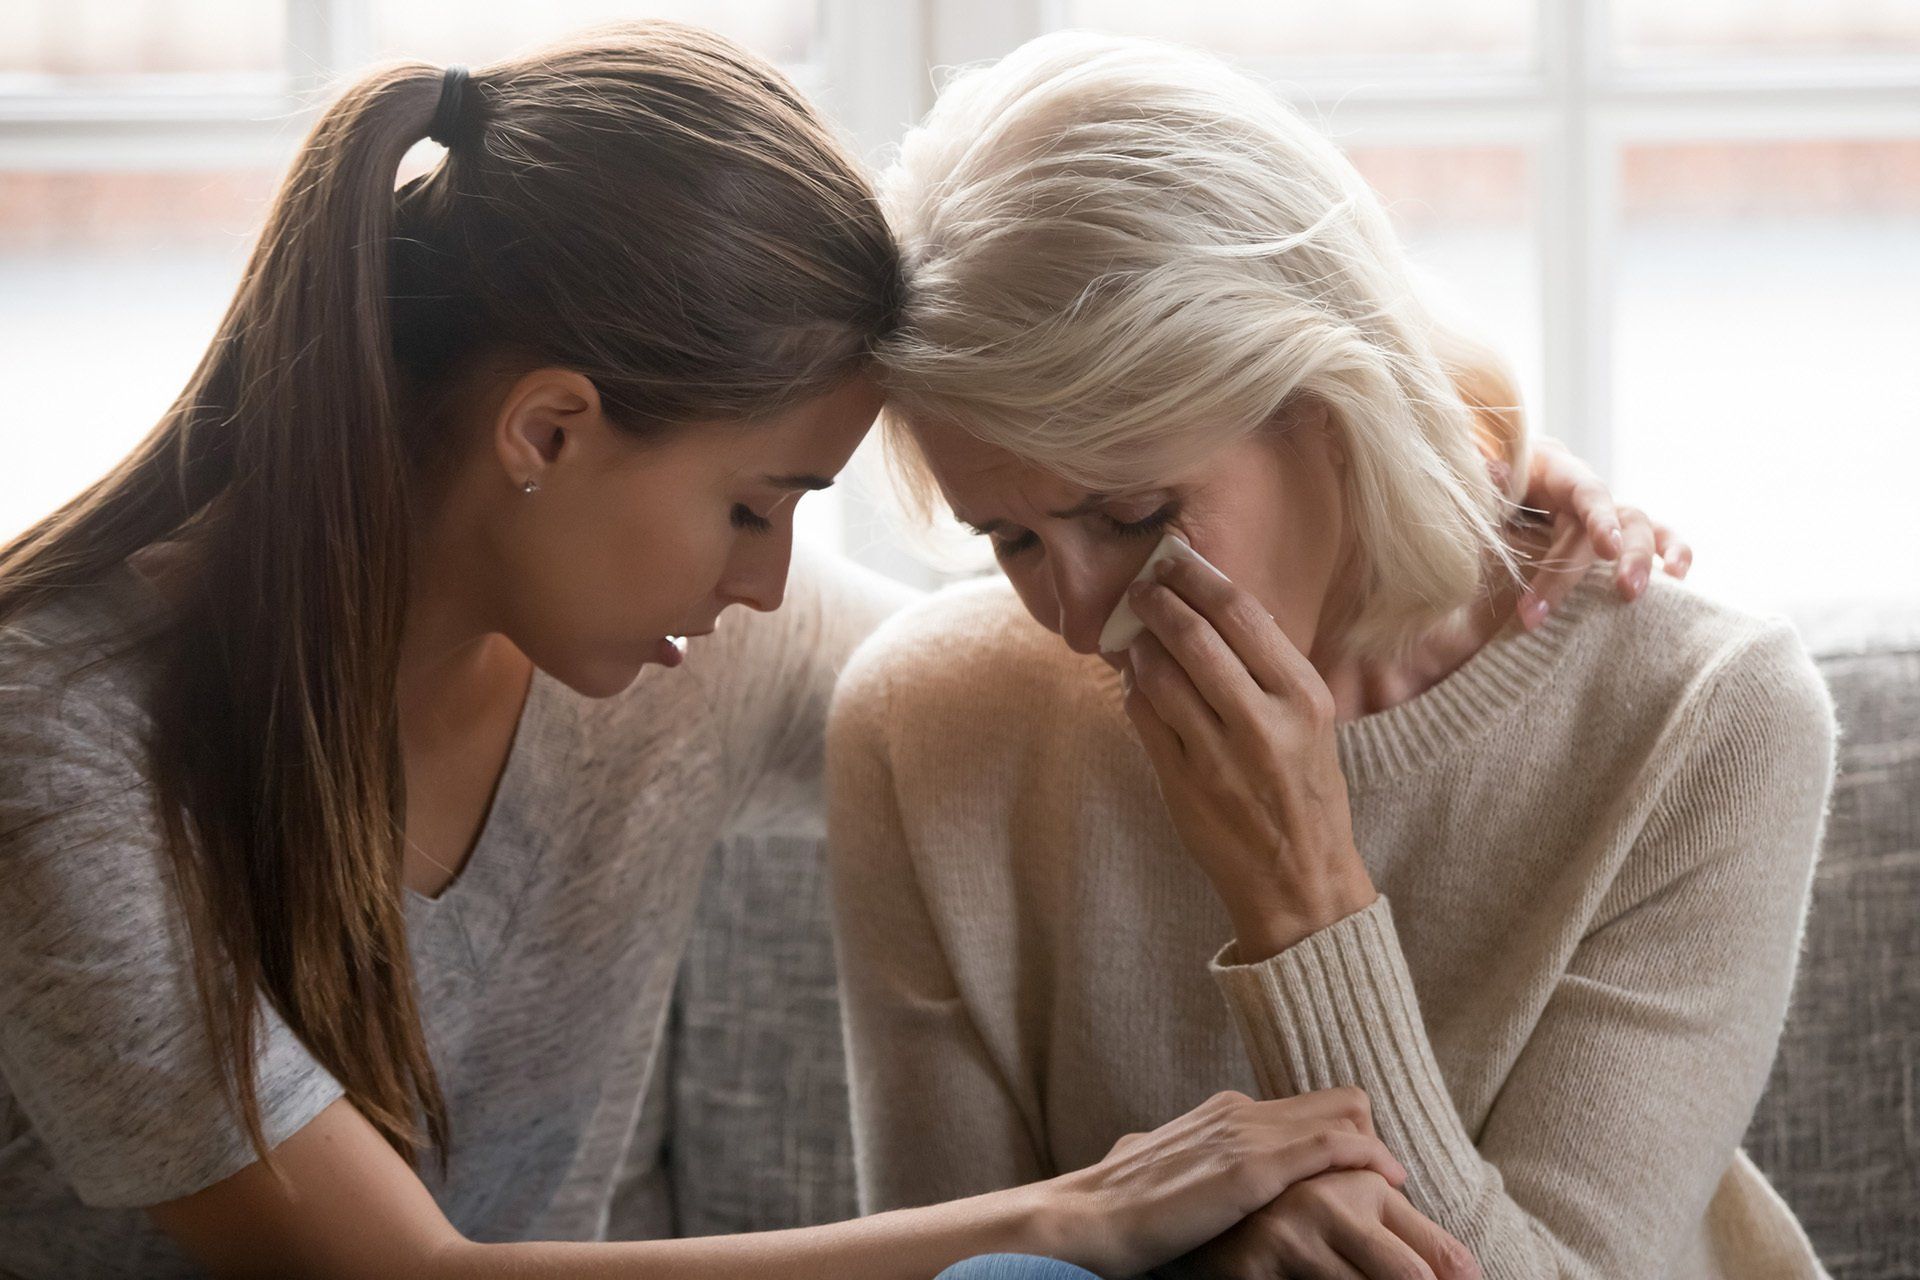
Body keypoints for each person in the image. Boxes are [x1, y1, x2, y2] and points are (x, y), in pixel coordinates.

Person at [0, 21, 1664, 1280]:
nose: (777, 577)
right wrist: (1083, 1209)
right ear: (550, 430)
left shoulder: (689, 649)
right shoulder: (59, 736)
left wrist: (1466, 467)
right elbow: (411, 1278)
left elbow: (1020, 685)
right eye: (758, 503)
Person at [829, 31, 1834, 1280]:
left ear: (1329, 400)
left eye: (1135, 516)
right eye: (1011, 538)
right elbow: (980, 1275)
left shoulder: (1708, 721)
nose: (1084, 622)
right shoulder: (924, 724)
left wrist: (1306, 907)